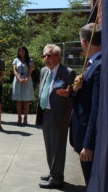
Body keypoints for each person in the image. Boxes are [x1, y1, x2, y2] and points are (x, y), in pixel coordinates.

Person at [57, 23, 101, 185]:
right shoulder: (92, 63)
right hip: (82, 135)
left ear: (84, 42)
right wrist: (73, 92)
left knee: (92, 181)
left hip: (89, 140)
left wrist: (88, 145)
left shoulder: (99, 66)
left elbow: (96, 109)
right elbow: (86, 97)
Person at [37, 44, 76, 189]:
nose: (46, 58)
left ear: (58, 56)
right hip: (45, 113)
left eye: (49, 55)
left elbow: (74, 95)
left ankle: (57, 178)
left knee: (58, 146)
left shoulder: (68, 72)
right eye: (44, 55)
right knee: (49, 146)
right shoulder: (43, 71)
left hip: (59, 115)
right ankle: (53, 172)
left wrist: (68, 95)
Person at [11, 46, 35, 125]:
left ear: (26, 52)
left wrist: (27, 78)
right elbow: (15, 70)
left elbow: (30, 71)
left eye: (23, 51)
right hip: (18, 81)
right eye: (20, 51)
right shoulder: (16, 60)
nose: (21, 52)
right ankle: (19, 117)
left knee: (26, 100)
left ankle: (25, 117)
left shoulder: (30, 60)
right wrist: (19, 78)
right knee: (19, 100)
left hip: (27, 81)